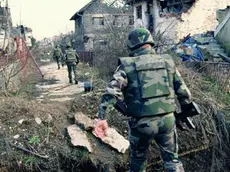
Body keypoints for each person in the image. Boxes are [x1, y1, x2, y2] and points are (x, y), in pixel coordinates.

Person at [95, 28, 192, 172]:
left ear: (131, 45)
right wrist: (185, 110)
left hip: (141, 124)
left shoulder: (127, 65)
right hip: (167, 120)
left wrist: (102, 117)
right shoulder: (167, 61)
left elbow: (111, 91)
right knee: (172, 160)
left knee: (138, 162)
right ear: (150, 42)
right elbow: (183, 92)